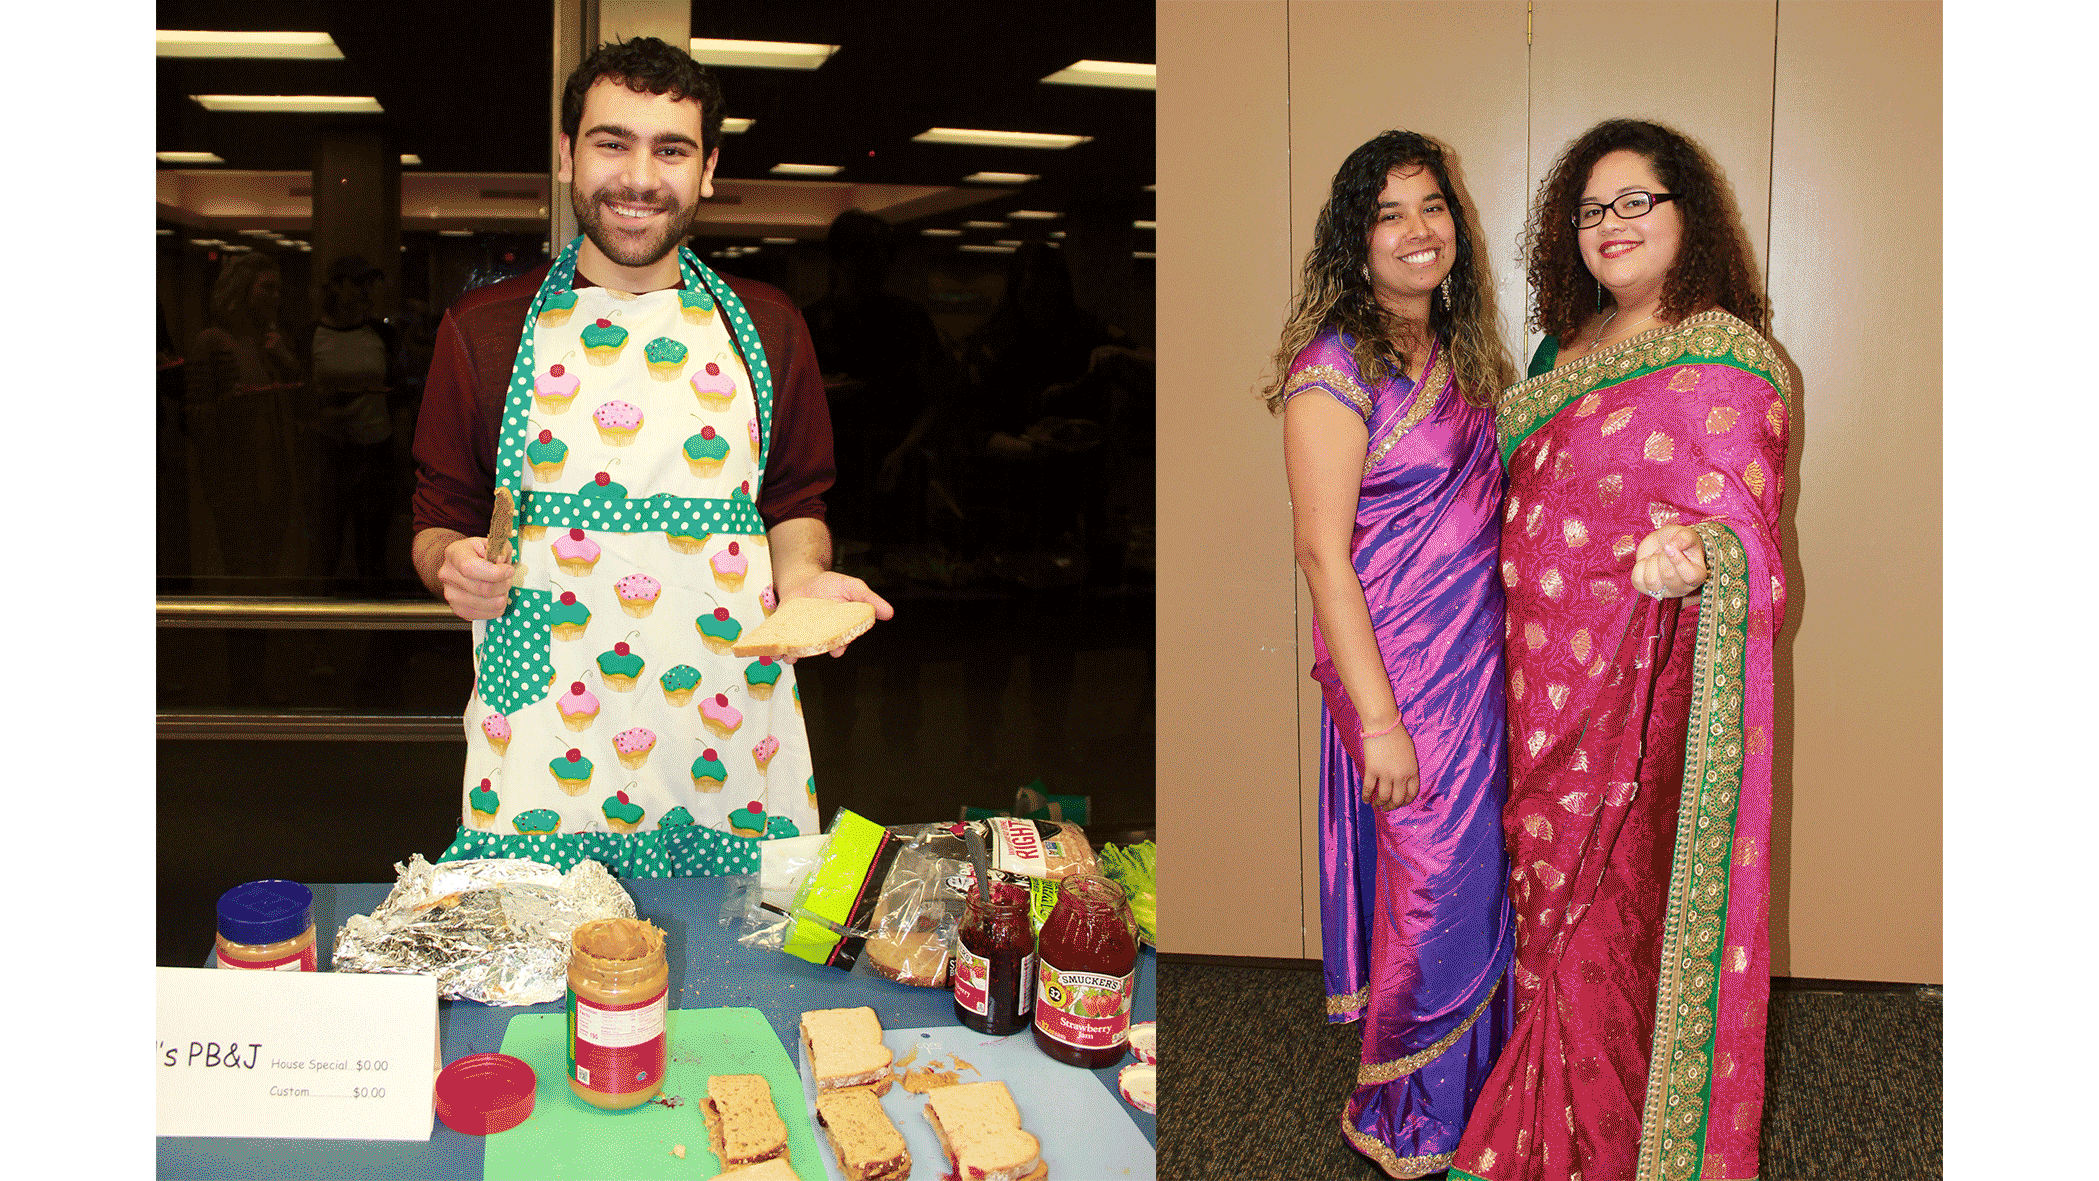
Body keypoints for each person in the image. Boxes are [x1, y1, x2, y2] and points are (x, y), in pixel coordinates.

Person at [410, 36, 891, 876]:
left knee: (736, 957)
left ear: (706, 168)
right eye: (611, 143)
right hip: (548, 718)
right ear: (567, 155)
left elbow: (793, 502)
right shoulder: (483, 331)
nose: (638, 178)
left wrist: (806, 579)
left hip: (726, 717)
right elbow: (437, 515)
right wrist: (449, 562)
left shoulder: (769, 325)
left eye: (670, 150)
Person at [1450, 119, 1790, 1181]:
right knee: (1540, 913)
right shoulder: (1564, 348)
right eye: (1591, 208)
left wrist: (1697, 553)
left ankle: (1589, 1148)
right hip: (1528, 679)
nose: (1611, 224)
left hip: (1637, 698)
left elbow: (1745, 529)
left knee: (1607, 926)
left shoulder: (1724, 352)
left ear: (1686, 215)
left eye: (1635, 200)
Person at [1267, 130, 1518, 1180]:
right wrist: (1376, 718)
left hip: (1480, 662)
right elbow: (1321, 557)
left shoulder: (1460, 352)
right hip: (1401, 679)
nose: (1417, 233)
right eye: (1389, 214)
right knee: (1433, 891)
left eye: (1432, 208)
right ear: (1353, 238)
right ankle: (1410, 1115)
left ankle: (1479, 1096)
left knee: (1482, 882)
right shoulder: (1331, 365)